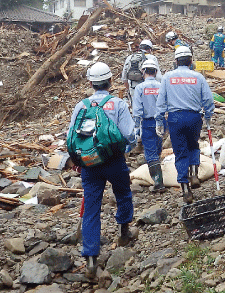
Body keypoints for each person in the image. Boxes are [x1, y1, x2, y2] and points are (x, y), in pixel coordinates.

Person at [68, 62, 137, 279]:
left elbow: (71, 136)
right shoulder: (118, 104)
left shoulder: (82, 105)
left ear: (90, 83)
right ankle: (124, 232)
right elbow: (129, 135)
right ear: (110, 81)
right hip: (115, 160)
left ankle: (90, 258)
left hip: (89, 164)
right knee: (123, 194)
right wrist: (127, 149)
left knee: (91, 208)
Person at [155, 46, 214, 204]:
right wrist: (208, 116)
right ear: (191, 61)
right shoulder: (198, 77)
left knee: (180, 151)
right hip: (194, 117)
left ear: (175, 61)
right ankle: (194, 173)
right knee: (193, 145)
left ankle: (185, 188)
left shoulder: (167, 78)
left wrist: (159, 120)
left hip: (175, 118)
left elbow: (161, 102)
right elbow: (208, 100)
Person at [132, 59, 166, 193]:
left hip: (147, 122)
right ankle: (158, 174)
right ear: (156, 71)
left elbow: (137, 110)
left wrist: (136, 127)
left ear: (143, 71)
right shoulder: (160, 86)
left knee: (150, 151)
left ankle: (158, 182)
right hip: (161, 121)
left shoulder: (140, 88)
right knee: (158, 147)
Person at [121, 39, 161, 107]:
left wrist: (129, 89)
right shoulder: (152, 58)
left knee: (136, 109)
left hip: (133, 88)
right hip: (149, 90)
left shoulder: (130, 58)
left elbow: (124, 78)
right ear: (150, 49)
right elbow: (159, 77)